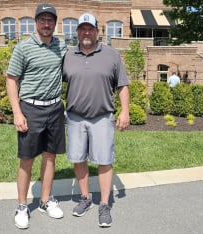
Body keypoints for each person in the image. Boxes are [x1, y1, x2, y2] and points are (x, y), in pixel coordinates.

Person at [62, 13, 130, 228]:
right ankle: (85, 198)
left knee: (104, 161)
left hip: (102, 117)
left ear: (97, 31)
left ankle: (104, 204)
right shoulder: (68, 55)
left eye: (90, 28)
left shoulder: (111, 55)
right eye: (82, 28)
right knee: (79, 159)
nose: (86, 32)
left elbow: (122, 85)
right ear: (77, 32)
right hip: (74, 117)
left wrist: (125, 111)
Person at [6, 3, 67, 229]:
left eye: (50, 20)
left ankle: (45, 200)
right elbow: (12, 80)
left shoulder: (61, 47)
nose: (46, 23)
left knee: (50, 156)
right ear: (36, 22)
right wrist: (17, 112)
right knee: (27, 159)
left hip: (54, 108)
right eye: (42, 19)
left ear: (54, 23)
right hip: (30, 109)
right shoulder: (23, 48)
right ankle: (22, 205)